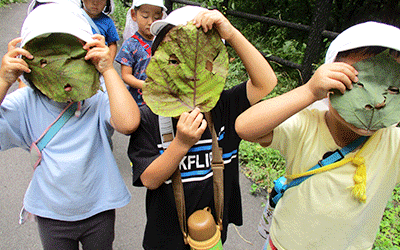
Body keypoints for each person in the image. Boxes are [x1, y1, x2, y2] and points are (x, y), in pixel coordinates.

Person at [235, 21, 400, 250]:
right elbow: (245, 127)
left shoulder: (394, 143)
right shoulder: (307, 123)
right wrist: (309, 91)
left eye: (392, 89)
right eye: (357, 82)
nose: (376, 101)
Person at [127, 6, 277, 250]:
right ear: (157, 63)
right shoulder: (149, 116)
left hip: (213, 233)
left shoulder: (223, 106)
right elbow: (149, 179)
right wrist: (181, 144)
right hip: (165, 239)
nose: (188, 68)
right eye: (174, 57)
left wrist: (231, 34)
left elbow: (266, 83)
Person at [0, 2, 139, 250]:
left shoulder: (98, 97)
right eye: (48, 61)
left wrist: (108, 71)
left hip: (99, 208)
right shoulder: (26, 103)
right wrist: (3, 81)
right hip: (51, 214)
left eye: (72, 58)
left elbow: (128, 123)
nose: (63, 72)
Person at [115, 0, 167, 106]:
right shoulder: (130, 45)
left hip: (161, 100)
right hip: (138, 103)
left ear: (161, 16)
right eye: (145, 16)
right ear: (134, 15)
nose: (150, 22)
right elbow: (126, 76)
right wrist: (146, 86)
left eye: (156, 17)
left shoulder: (164, 43)